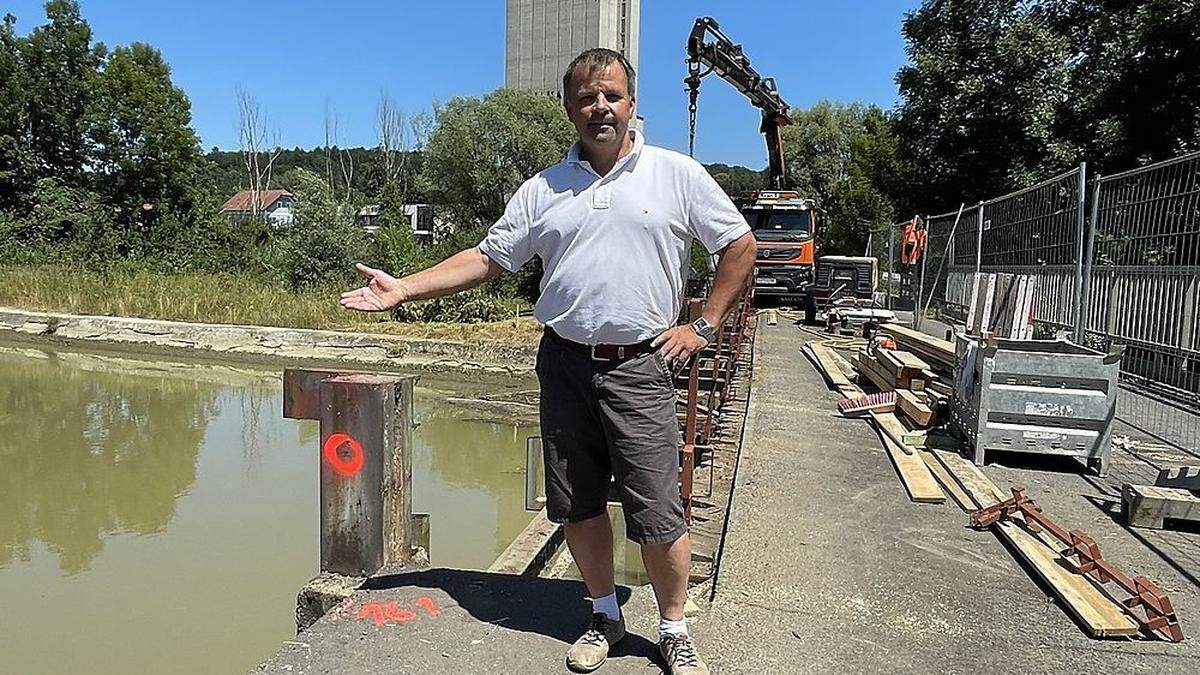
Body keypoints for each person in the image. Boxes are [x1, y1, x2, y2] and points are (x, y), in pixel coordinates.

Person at [340, 48, 756, 675]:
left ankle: (673, 628)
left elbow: (739, 244)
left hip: (639, 365)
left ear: (632, 104)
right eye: (587, 98)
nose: (600, 108)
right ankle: (604, 616)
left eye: (611, 95)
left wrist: (704, 324)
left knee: (658, 511)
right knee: (577, 503)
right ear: (570, 110)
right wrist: (405, 288)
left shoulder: (677, 175)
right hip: (563, 364)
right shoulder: (544, 188)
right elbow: (487, 258)